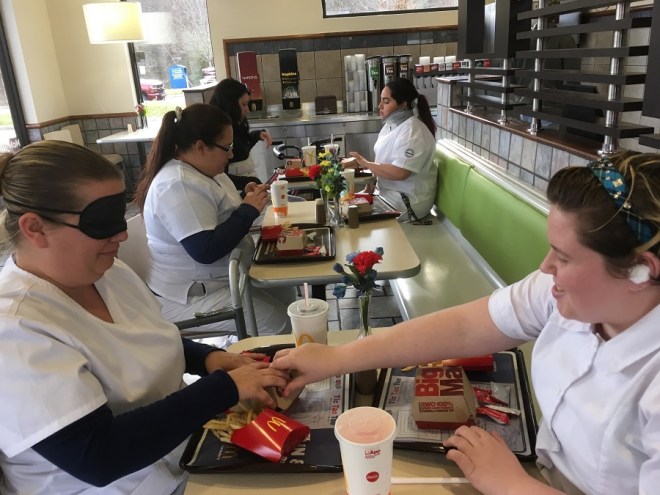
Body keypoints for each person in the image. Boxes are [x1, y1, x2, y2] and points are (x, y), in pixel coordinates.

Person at [273, 151, 660, 495]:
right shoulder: (563, 292)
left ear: (641, 271)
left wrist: (510, 485)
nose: (545, 267)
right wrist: (336, 359)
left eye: (564, 257)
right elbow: (464, 327)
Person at [0, 140, 289, 494]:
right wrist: (223, 389)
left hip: (180, 454)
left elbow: (148, 338)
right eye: (101, 222)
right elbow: (98, 455)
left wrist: (209, 359)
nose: (122, 233)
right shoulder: (14, 327)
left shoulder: (108, 273)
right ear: (35, 228)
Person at [133, 103, 294, 337]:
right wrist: (247, 210)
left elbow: (215, 206)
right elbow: (205, 250)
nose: (231, 154)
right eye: (226, 147)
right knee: (278, 323)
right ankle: (252, 357)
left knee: (286, 293)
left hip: (224, 279)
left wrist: (244, 196)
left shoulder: (203, 171)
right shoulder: (177, 184)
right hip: (190, 297)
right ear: (200, 147)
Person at [349, 78, 437, 223]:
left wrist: (365, 163)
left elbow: (400, 173)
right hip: (385, 194)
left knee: (350, 217)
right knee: (344, 205)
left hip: (407, 202)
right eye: (381, 101)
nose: (380, 106)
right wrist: (368, 190)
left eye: (386, 101)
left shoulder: (412, 132)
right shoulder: (390, 126)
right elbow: (381, 163)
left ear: (403, 104)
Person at [209, 77, 272, 180]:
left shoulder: (236, 125)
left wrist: (257, 135)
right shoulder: (219, 133)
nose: (247, 110)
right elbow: (221, 177)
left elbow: (241, 148)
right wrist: (250, 182)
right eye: (244, 104)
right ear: (230, 104)